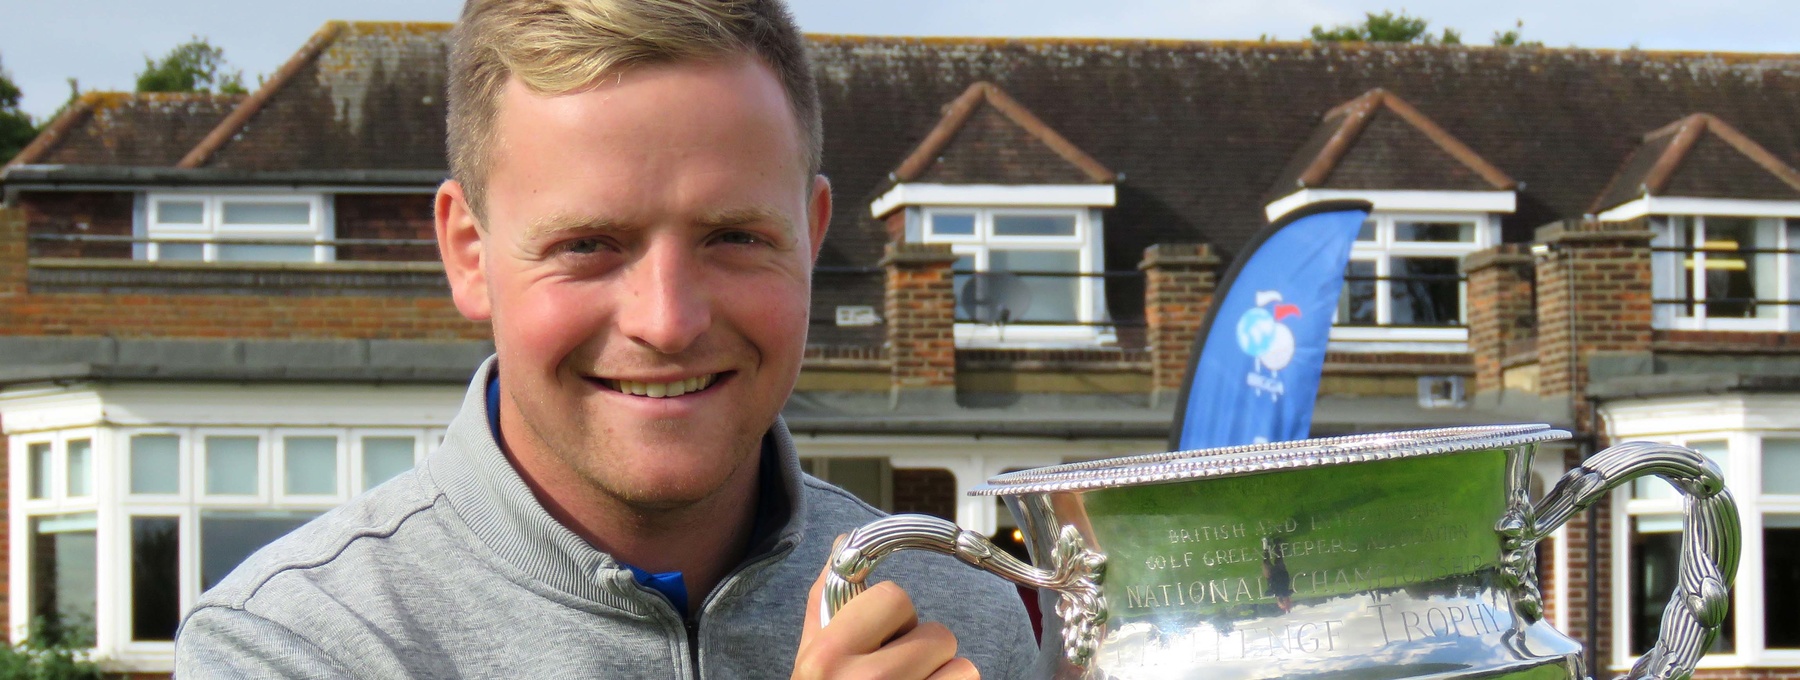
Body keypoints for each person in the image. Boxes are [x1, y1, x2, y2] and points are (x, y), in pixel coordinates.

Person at [172, 0, 1038, 677]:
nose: (667, 320)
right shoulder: (292, 642)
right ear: (469, 253)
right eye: (587, 245)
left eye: (734, 236)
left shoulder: (967, 616)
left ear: (811, 237)